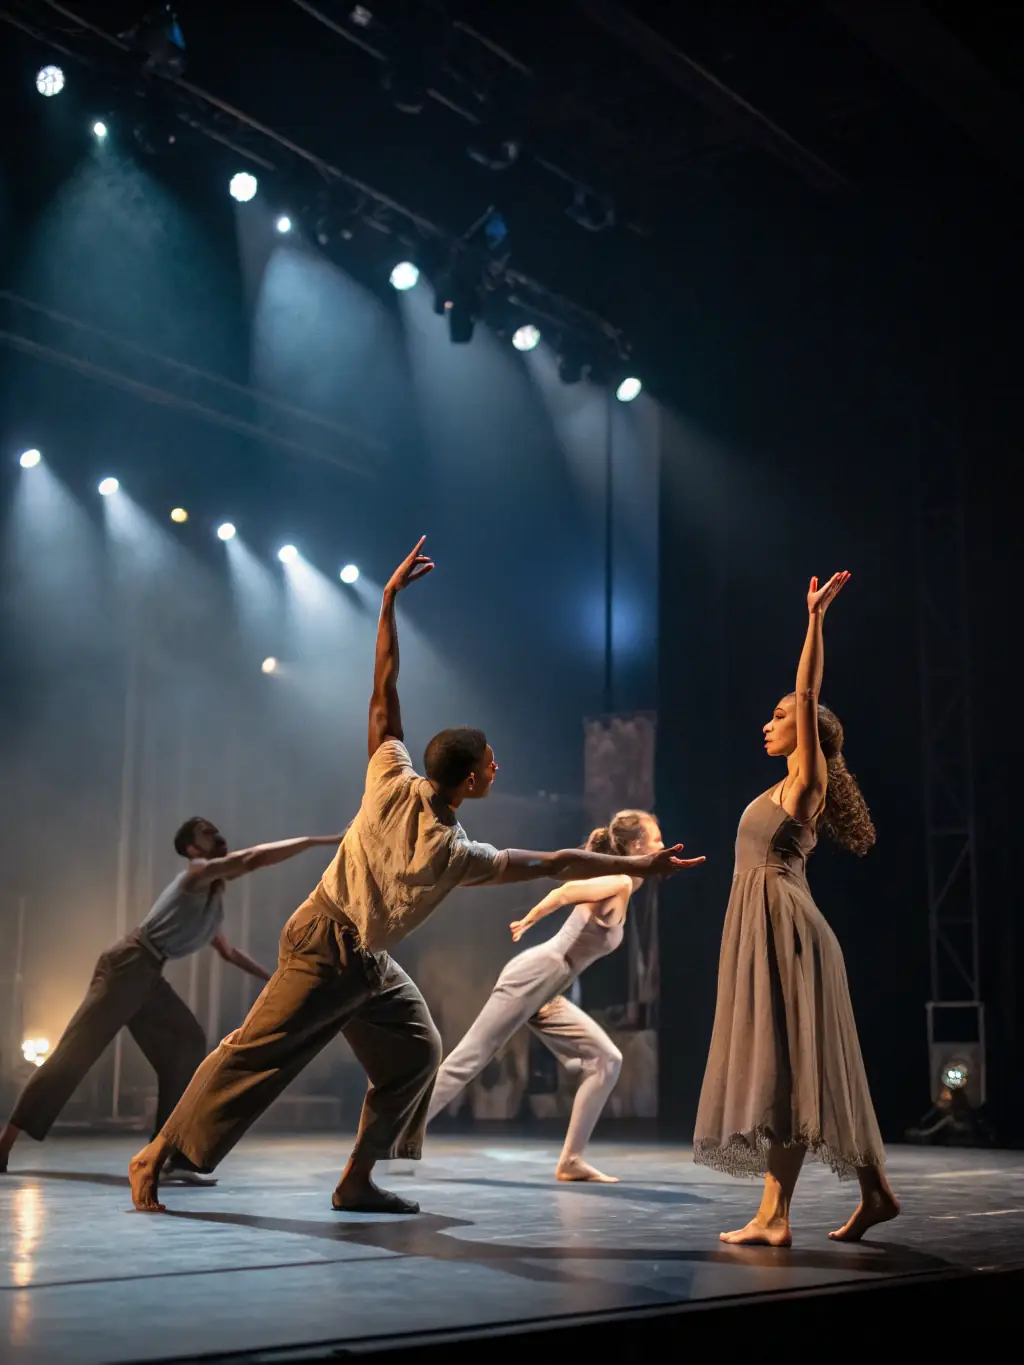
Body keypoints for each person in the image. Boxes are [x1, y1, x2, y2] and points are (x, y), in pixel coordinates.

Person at [128, 537, 703, 1214]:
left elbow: (383, 690)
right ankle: (155, 1154)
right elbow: (555, 864)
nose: (497, 768)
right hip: (324, 944)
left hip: (365, 957)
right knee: (254, 1052)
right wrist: (639, 864)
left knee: (416, 1051)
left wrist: (387, 604)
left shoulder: (390, 775)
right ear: (469, 778)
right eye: (490, 763)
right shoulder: (453, 853)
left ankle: (356, 1179)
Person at [693, 571, 899, 1245]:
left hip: (787, 928)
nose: (769, 722)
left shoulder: (807, 782)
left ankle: (774, 1217)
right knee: (807, 1063)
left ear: (807, 728)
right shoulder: (778, 787)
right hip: (764, 924)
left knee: (787, 1066)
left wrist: (814, 620)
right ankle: (875, 1194)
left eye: (780, 716)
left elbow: (807, 691)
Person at [0, 819, 342, 1177]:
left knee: (188, 1042)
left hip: (148, 973)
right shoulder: (196, 874)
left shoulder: (211, 904)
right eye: (206, 833)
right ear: (193, 849)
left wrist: (273, 978)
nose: (216, 835)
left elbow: (229, 952)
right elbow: (252, 859)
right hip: (129, 964)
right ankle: (4, 1143)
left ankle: (164, 1155)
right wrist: (322, 839)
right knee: (76, 1051)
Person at [425, 810, 665, 1183]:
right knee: (469, 1060)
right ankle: (393, 1132)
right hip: (538, 973)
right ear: (637, 846)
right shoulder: (618, 881)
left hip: (553, 986)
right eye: (657, 840)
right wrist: (529, 920)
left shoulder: (625, 885)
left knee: (607, 1060)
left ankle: (571, 1161)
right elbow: (564, 892)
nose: (663, 846)